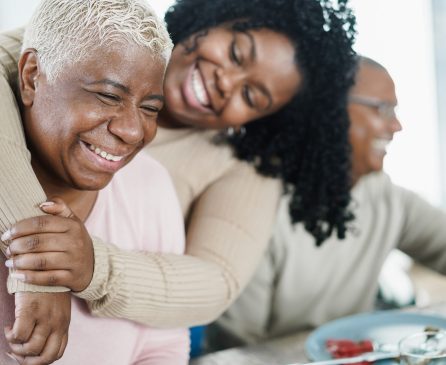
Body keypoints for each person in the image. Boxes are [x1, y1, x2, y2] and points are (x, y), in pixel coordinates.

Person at [0, 0, 357, 360]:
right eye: (235, 52)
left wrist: (91, 265)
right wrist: (40, 274)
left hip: (136, 325)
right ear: (214, 17)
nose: (226, 81)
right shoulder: (109, 31)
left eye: (250, 96)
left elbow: (215, 284)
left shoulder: (211, 172)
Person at [206, 56, 446, 349]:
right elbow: (237, 348)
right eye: (383, 109)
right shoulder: (255, 205)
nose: (396, 126)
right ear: (326, 112)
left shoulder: (383, 194)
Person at [0, 0, 192, 364]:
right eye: (107, 96)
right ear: (31, 77)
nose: (133, 131)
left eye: (150, 108)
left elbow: (162, 345)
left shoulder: (150, 186)